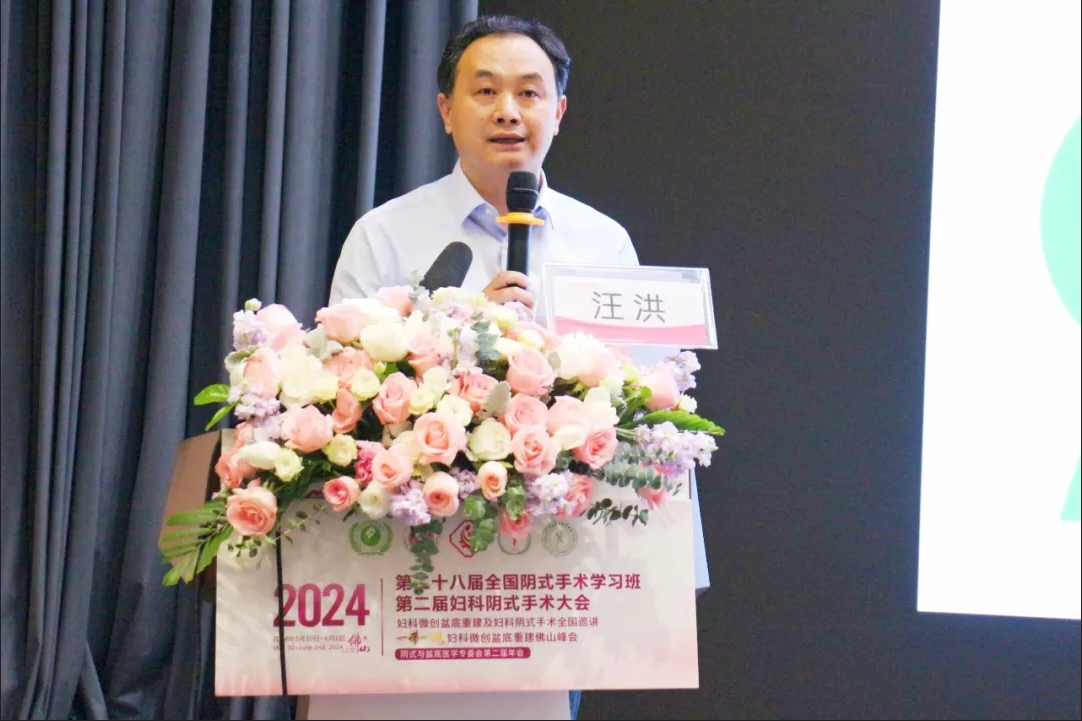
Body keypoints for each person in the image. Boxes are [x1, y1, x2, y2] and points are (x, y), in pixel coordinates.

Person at [328, 14, 642, 720]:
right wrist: (463, 330)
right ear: (446, 110)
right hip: (413, 554)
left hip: (553, 563)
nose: (508, 111)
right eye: (485, 90)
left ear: (558, 111)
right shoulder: (385, 234)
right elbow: (341, 387)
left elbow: (639, 400)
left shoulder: (603, 242)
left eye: (529, 92)